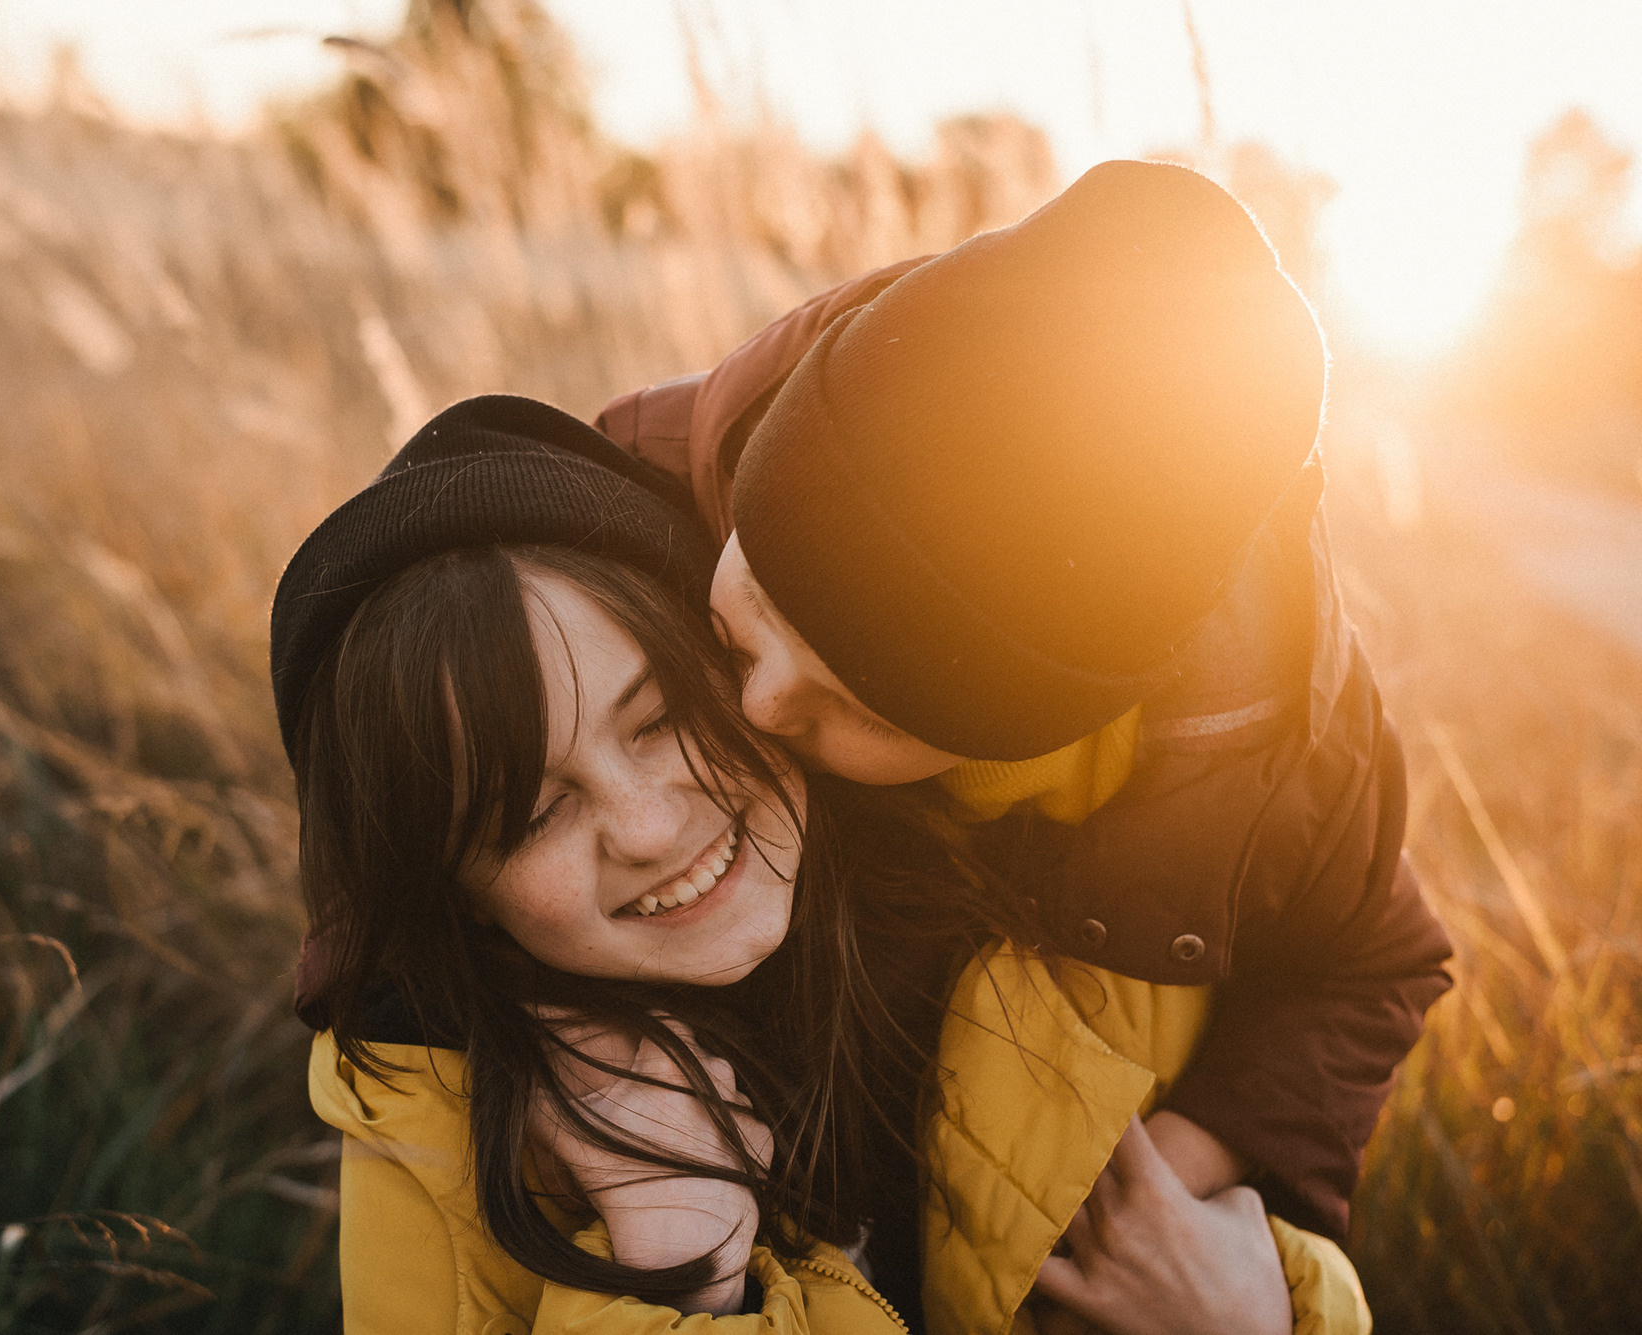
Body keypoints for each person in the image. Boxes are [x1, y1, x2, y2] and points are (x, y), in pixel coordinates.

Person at [270, 394, 1372, 1333]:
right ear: (456, 894)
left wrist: (1265, 1311)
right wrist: (672, 1274)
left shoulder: (1033, 859)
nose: (645, 827)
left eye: (659, 718)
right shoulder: (437, 1132)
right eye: (532, 815)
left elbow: (1353, 955)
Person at [592, 159, 1454, 1328]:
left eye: (867, 707)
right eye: (755, 596)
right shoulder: (634, 499)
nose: (762, 706)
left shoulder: (1273, 753)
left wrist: (1178, 1170)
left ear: (1044, 722)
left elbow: (1370, 964)